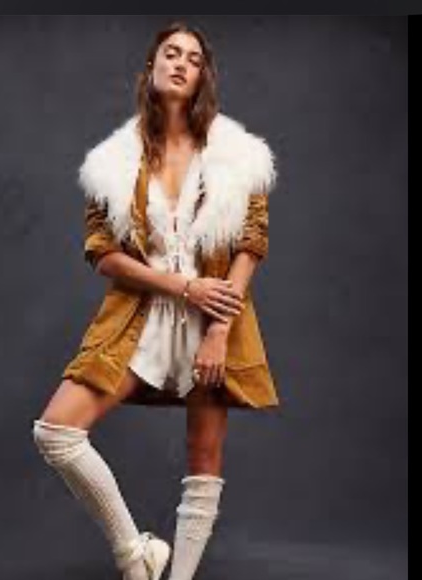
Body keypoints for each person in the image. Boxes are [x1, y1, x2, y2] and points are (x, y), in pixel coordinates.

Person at [32, 21, 280, 580]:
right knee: (56, 431)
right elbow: (102, 253)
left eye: (193, 58)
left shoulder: (238, 155)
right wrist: (182, 286)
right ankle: (136, 555)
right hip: (139, 316)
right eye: (171, 53)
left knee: (203, 459)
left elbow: (251, 243)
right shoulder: (112, 163)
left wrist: (219, 329)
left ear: (202, 77)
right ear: (151, 68)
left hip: (216, 318)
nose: (181, 63)